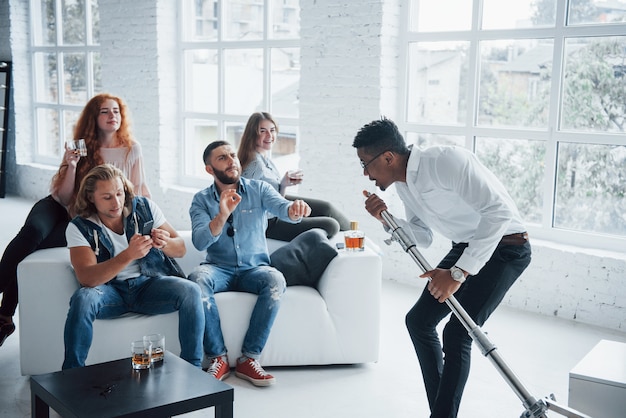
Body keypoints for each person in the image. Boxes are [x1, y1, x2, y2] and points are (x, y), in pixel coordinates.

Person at [352, 117, 532, 417]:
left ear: (387, 157)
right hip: (467, 244)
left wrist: (458, 273)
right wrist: (387, 218)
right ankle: (442, 412)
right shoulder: (405, 185)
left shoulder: (445, 161)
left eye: (365, 164)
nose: (365, 173)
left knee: (458, 332)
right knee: (419, 321)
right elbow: (423, 235)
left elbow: (498, 213)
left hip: (507, 247)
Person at [0, 93, 150, 347]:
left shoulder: (131, 149)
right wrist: (71, 166)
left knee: (33, 249)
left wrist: (148, 220)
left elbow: (138, 189)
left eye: (116, 111)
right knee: (33, 233)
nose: (112, 116)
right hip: (59, 206)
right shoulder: (81, 146)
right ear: (94, 117)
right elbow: (64, 195)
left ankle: (4, 316)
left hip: (84, 219)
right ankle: (4, 309)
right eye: (105, 111)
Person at [188, 140, 311, 386]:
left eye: (232, 155)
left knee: (275, 279)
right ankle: (217, 358)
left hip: (254, 269)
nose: (232, 160)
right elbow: (200, 242)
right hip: (218, 268)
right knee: (196, 281)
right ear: (210, 169)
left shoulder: (259, 189)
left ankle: (249, 359)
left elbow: (284, 208)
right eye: (222, 157)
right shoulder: (201, 200)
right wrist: (222, 214)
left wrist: (296, 210)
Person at [62, 164, 203, 369]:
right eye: (107, 197)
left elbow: (180, 249)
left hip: (148, 285)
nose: (116, 202)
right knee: (83, 298)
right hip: (110, 292)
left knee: (191, 290)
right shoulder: (79, 226)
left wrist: (164, 244)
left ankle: (193, 368)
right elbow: (87, 278)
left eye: (119, 193)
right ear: (91, 197)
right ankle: (72, 374)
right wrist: (128, 255)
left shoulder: (145, 207)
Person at [237, 111, 350, 241]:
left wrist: (283, 184)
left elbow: (272, 198)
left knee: (327, 207)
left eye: (272, 130)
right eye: (262, 131)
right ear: (252, 134)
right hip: (268, 222)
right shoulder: (254, 166)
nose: (269, 135)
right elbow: (249, 206)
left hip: (277, 208)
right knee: (331, 225)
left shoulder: (262, 156)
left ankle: (356, 234)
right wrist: (289, 212)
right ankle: (355, 236)